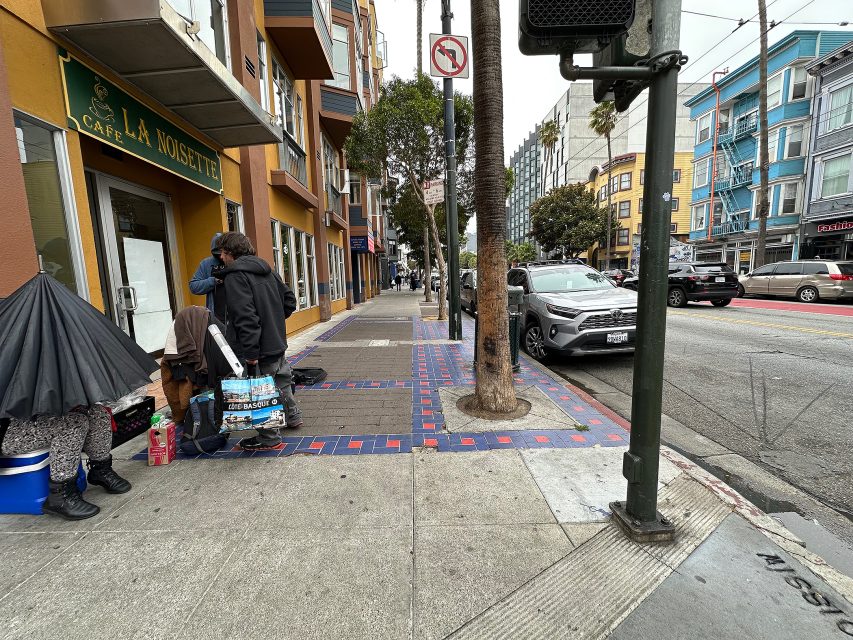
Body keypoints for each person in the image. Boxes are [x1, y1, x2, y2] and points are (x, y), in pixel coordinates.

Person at [217, 232, 302, 450]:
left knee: (259, 391)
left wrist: (251, 354)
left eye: (222, 253)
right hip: (276, 342)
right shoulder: (267, 270)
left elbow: (246, 318)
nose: (221, 258)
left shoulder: (235, 276)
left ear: (229, 253)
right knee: (281, 382)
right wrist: (274, 320)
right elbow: (290, 300)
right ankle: (293, 417)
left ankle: (269, 438)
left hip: (259, 348)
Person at [0, 406, 131, 519]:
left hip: (31, 415)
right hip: (6, 427)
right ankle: (59, 496)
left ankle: (101, 469)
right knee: (73, 423)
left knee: (97, 412)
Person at [189, 233, 227, 322]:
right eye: (217, 254)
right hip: (216, 317)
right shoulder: (206, 263)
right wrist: (213, 281)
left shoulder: (234, 260)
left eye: (222, 253)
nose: (221, 257)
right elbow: (193, 286)